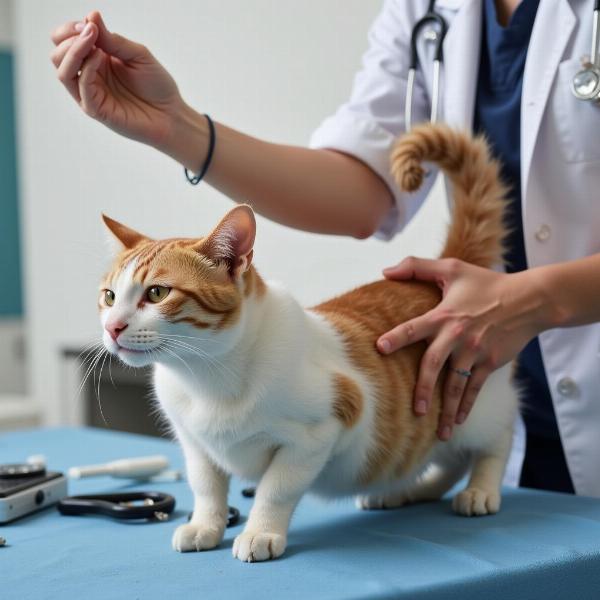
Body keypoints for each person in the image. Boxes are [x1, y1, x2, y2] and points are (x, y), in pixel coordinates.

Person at [51, 1, 600, 497]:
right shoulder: (425, 9)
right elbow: (362, 186)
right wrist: (175, 126)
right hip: (514, 432)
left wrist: (540, 298)